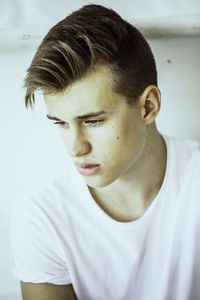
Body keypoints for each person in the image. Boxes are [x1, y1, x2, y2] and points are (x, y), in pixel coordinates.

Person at [10, 4, 200, 300]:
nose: (76, 148)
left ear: (148, 106)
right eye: (60, 123)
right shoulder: (41, 219)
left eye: (93, 121)